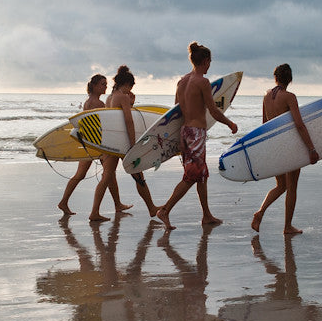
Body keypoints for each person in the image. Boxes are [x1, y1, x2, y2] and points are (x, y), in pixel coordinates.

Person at [155, 42, 238, 230]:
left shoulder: (182, 81)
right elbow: (213, 111)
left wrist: (179, 138)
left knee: (201, 175)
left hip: (185, 132)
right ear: (205, 61)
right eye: (210, 62)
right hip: (196, 134)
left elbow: (176, 112)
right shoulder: (202, 82)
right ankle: (165, 210)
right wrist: (230, 123)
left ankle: (206, 215)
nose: (210, 66)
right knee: (191, 176)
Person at [250, 64, 321, 235]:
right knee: (292, 187)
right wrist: (311, 149)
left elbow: (264, 125)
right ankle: (287, 226)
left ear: (275, 77)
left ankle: (260, 212)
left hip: (274, 147)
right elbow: (299, 125)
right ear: (290, 79)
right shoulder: (289, 97)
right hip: (290, 147)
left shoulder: (266, 96)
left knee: (281, 185)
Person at [90, 66, 158, 221]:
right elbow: (128, 121)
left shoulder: (110, 97)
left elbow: (116, 120)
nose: (131, 90)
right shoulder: (123, 97)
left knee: (106, 177)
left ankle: (95, 212)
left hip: (110, 142)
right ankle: (152, 208)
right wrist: (134, 144)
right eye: (131, 87)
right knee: (138, 175)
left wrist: (131, 104)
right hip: (123, 144)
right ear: (127, 84)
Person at [59, 74, 116, 216]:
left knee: (108, 175)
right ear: (95, 86)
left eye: (106, 84)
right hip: (96, 145)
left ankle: (118, 204)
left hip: (90, 142)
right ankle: (64, 202)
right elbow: (107, 124)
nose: (105, 86)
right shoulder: (98, 104)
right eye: (103, 84)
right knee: (102, 174)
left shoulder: (88, 101)